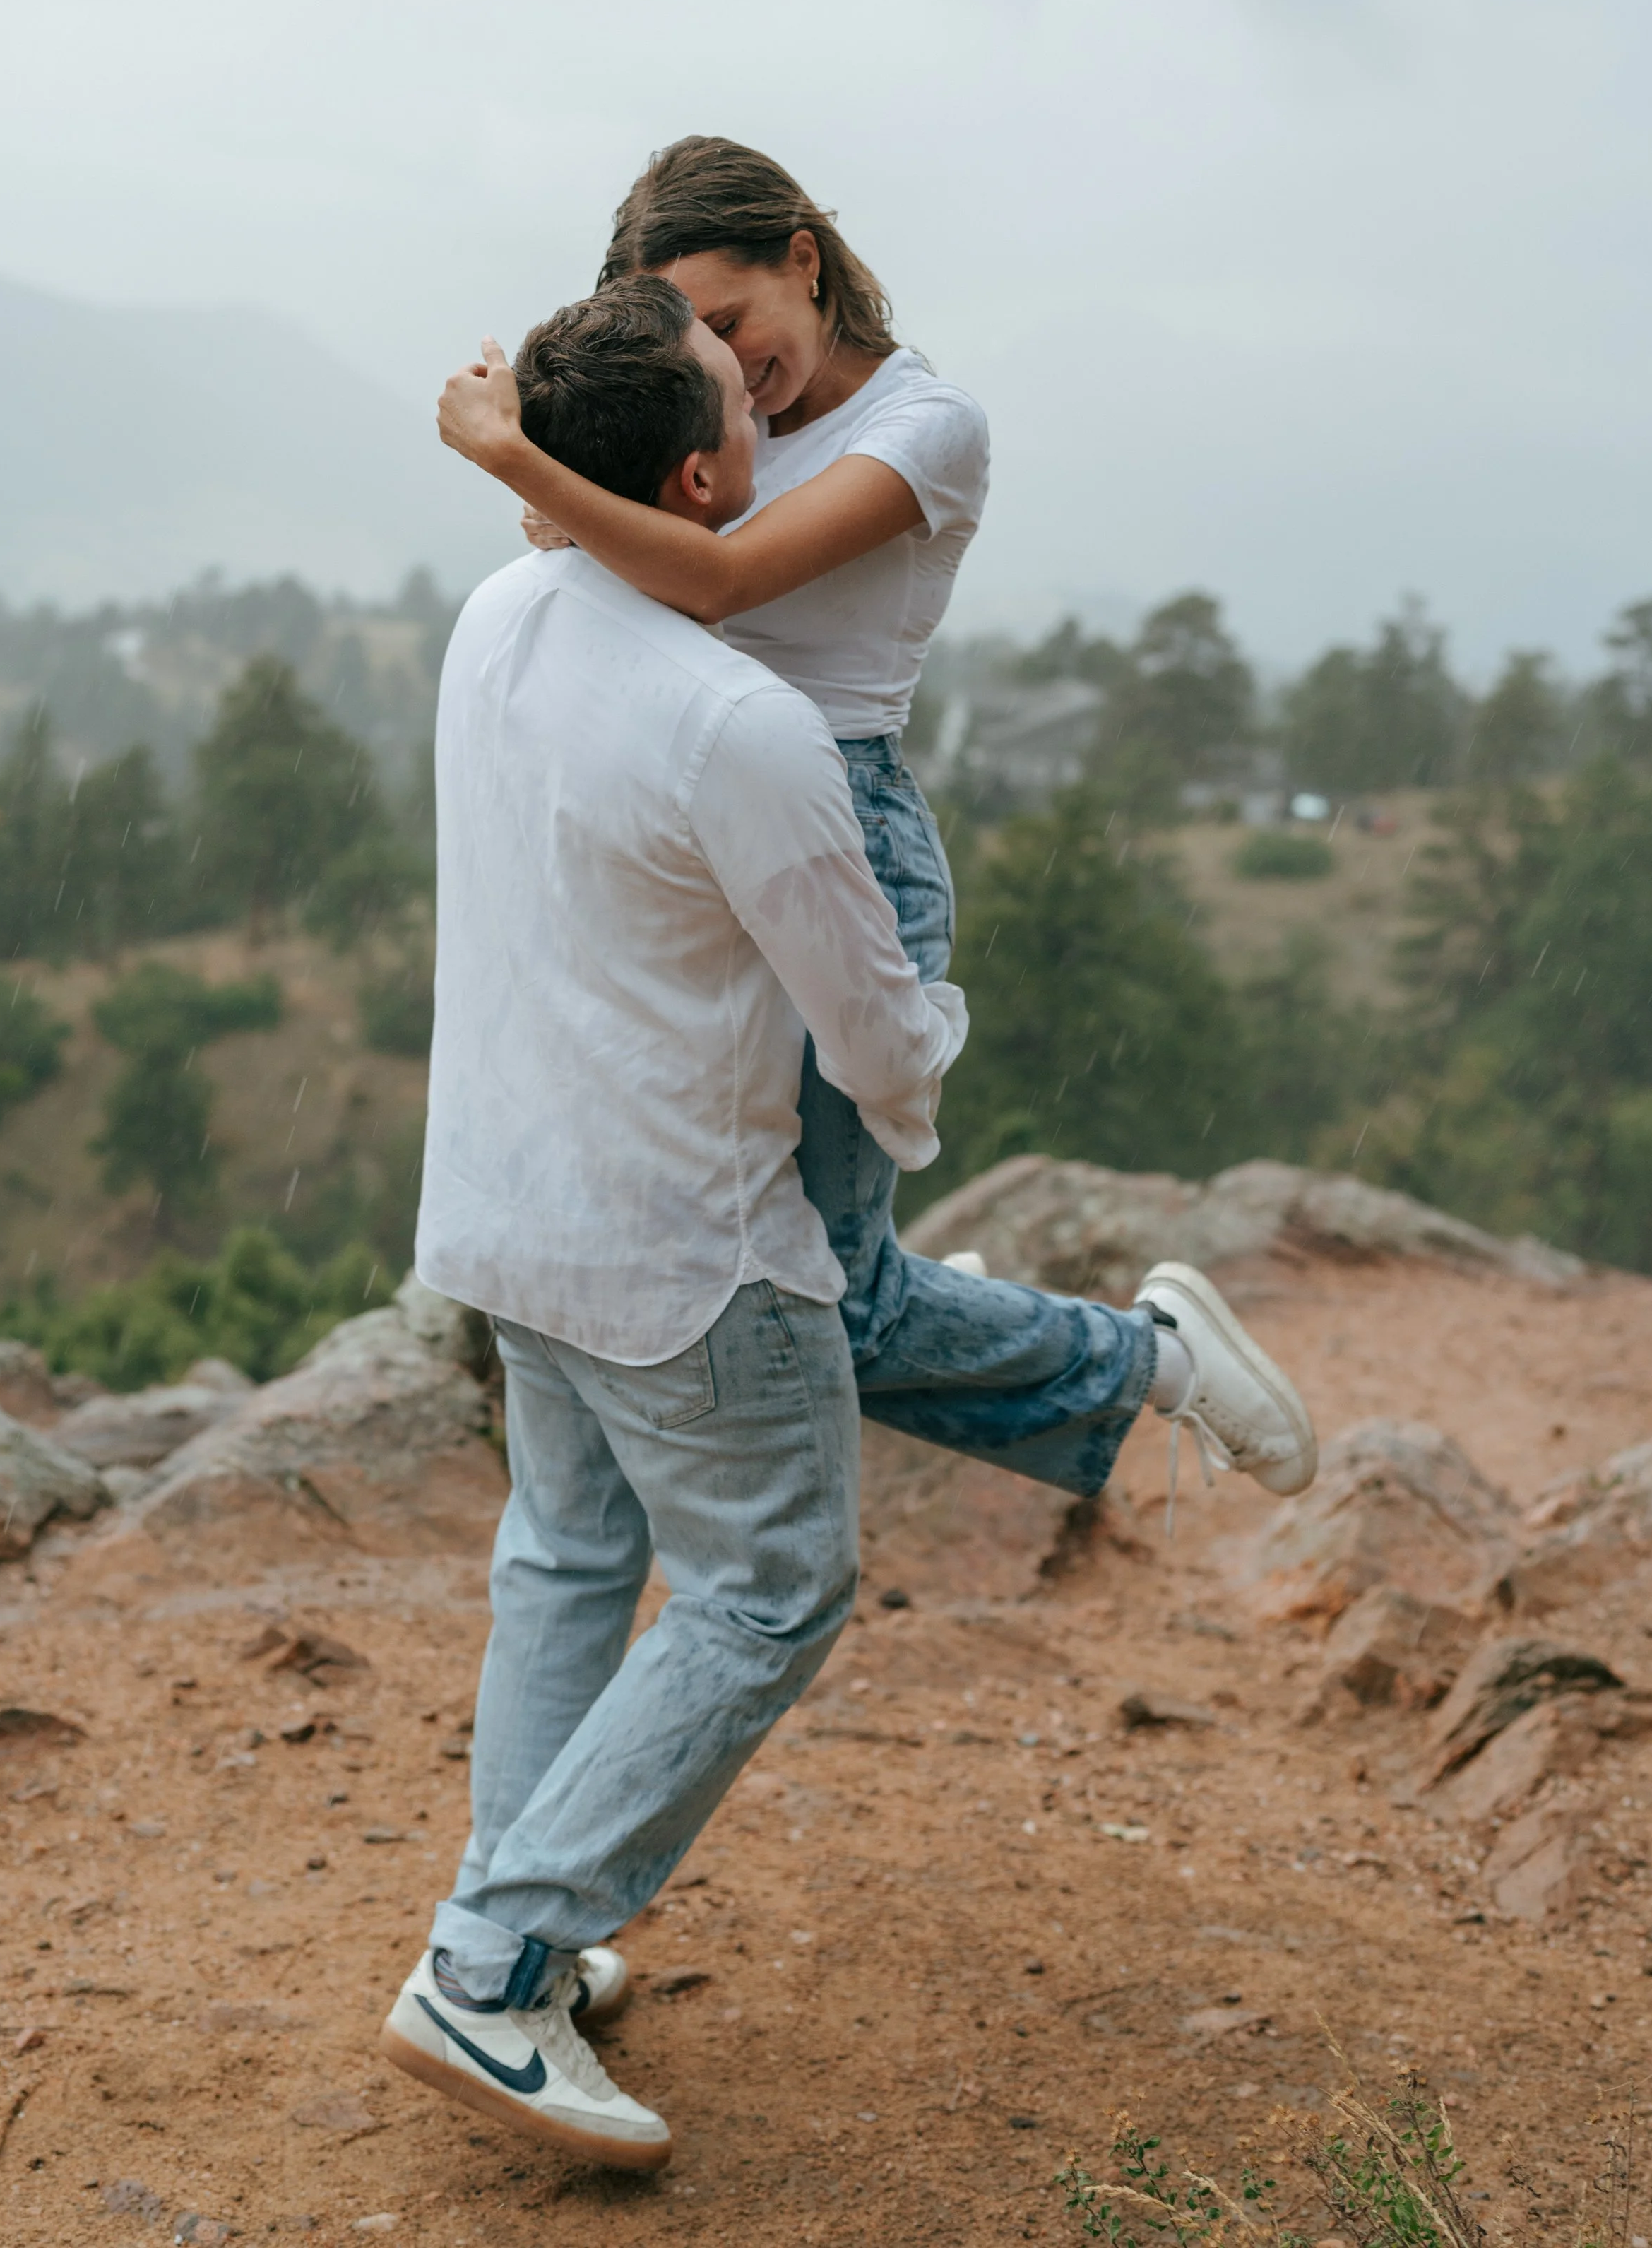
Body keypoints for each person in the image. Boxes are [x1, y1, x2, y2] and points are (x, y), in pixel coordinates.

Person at [389, 275, 1317, 2170]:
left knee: (568, 1553)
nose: (773, 411)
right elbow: (874, 1024)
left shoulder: (496, 614)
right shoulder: (737, 722)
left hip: (500, 1208)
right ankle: (486, 1964)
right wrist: (910, 1096)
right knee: (770, 1583)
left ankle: (522, 1932)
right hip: (678, 1242)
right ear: (701, 472)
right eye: (743, 395)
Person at [436, 137, 1317, 1510]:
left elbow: (716, 580)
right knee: (750, 1268)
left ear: (804, 254)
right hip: (689, 842)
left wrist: (513, 456)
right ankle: (915, 1303)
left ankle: (1148, 1355)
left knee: (823, 1309)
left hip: (837, 834)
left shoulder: (924, 426)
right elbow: (595, 561)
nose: (730, 366)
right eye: (695, 343)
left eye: (732, 323)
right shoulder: (701, 416)